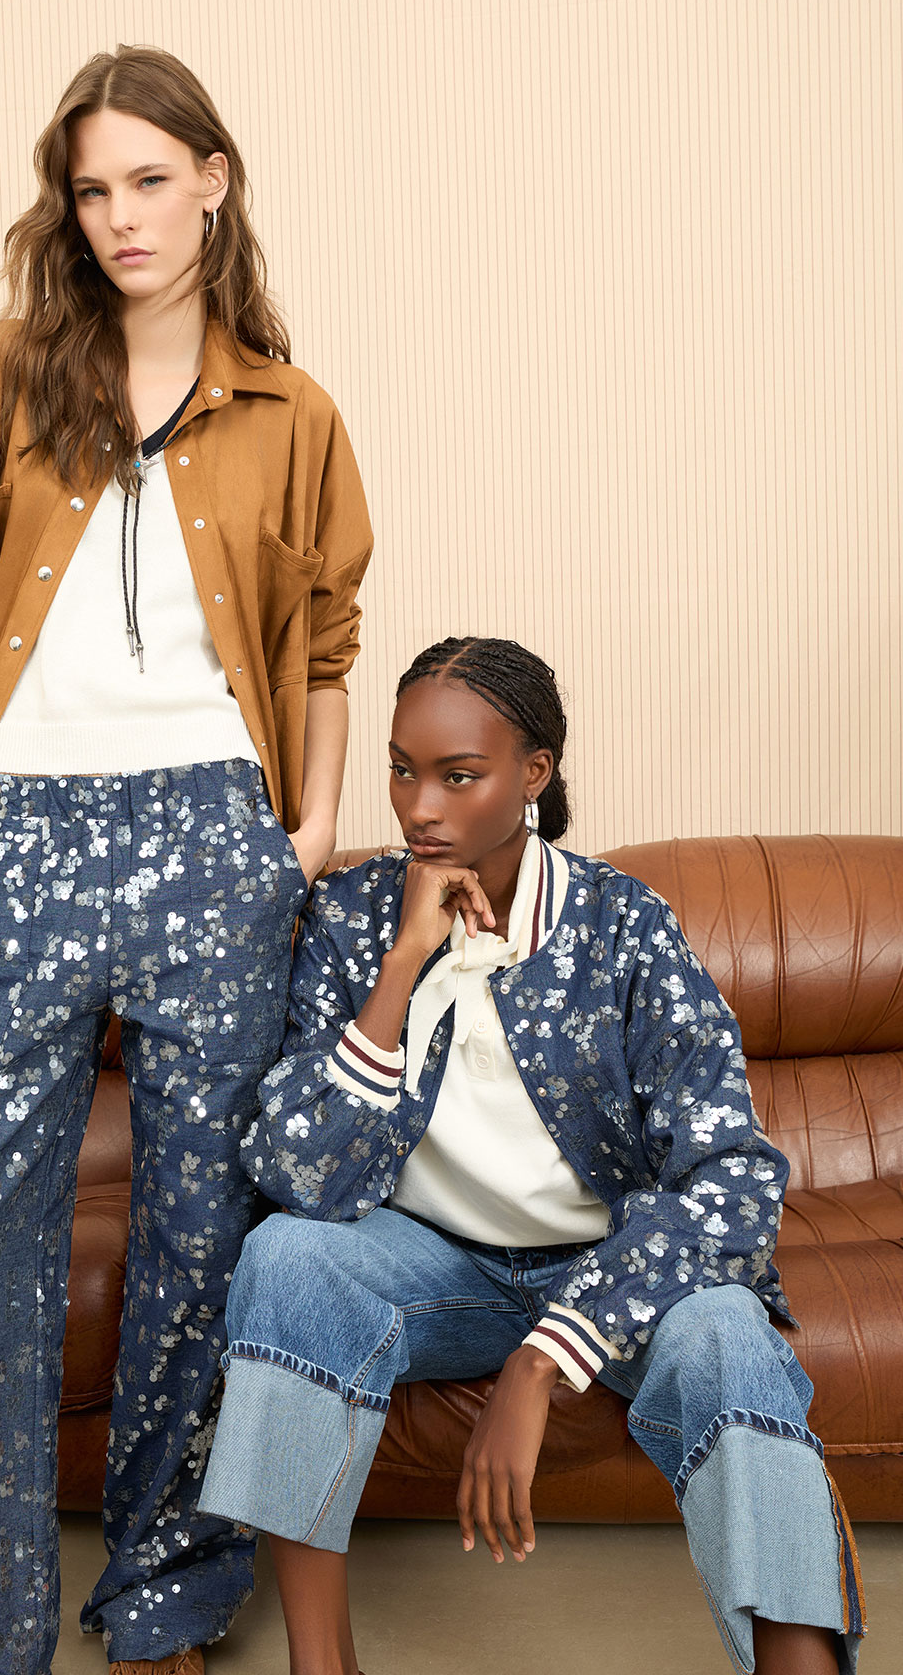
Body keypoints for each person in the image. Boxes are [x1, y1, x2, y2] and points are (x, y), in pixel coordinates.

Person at [0, 44, 373, 1675]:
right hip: (26, 831)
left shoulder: (292, 412)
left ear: (215, 179)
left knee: (203, 1236)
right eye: (93, 189)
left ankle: (167, 1595)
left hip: (216, 836)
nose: (122, 217)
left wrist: (307, 831)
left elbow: (326, 647)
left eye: (151, 179)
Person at [199, 636, 864, 1675]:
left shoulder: (622, 927)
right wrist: (403, 965)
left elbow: (733, 1180)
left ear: (534, 775)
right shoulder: (353, 916)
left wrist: (545, 1355)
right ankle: (322, 1666)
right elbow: (296, 1176)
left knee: (729, 1334)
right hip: (431, 1267)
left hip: (607, 1268)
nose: (420, 808)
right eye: (402, 770)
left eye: (459, 776)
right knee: (286, 1258)